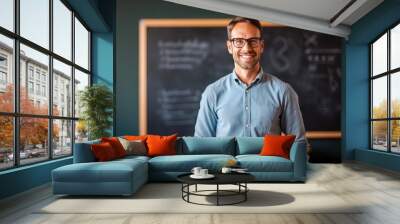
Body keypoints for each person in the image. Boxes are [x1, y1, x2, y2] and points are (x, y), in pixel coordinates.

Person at [194, 16, 306, 144]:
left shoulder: (283, 91)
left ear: (261, 46)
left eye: (253, 41)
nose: (247, 48)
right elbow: (201, 146)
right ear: (230, 47)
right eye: (239, 41)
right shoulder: (212, 93)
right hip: (225, 164)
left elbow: (299, 144)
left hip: (267, 165)